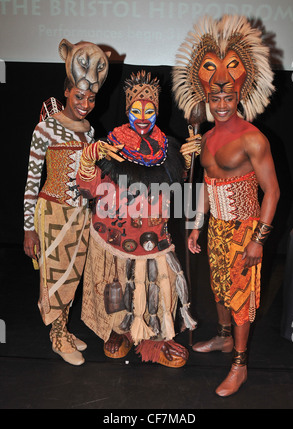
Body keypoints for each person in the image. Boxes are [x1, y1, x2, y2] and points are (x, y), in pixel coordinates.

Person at [173, 15, 280, 395]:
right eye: (214, 98)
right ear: (206, 97)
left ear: (240, 94)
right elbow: (207, 182)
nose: (221, 104)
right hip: (217, 226)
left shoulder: (254, 139)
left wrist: (258, 240)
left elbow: (273, 192)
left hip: (245, 229)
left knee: (240, 299)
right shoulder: (206, 137)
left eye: (228, 97)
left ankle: (240, 364)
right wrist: (198, 224)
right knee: (218, 290)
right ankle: (222, 338)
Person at [76, 70, 196, 367]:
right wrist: (88, 159)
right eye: (136, 110)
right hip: (115, 236)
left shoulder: (168, 147)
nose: (143, 116)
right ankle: (120, 332)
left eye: (150, 110)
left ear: (158, 111)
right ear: (127, 110)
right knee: (116, 286)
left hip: (154, 235)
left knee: (158, 286)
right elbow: (89, 189)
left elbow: (173, 184)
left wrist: (187, 161)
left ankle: (157, 340)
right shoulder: (111, 144)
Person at [23, 39, 112, 365]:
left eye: (91, 97)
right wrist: (29, 229)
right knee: (54, 277)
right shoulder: (45, 129)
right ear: (67, 93)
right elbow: (32, 181)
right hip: (53, 214)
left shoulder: (89, 131)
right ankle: (57, 336)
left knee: (72, 276)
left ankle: (63, 328)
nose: (86, 103)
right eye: (79, 96)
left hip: (81, 216)